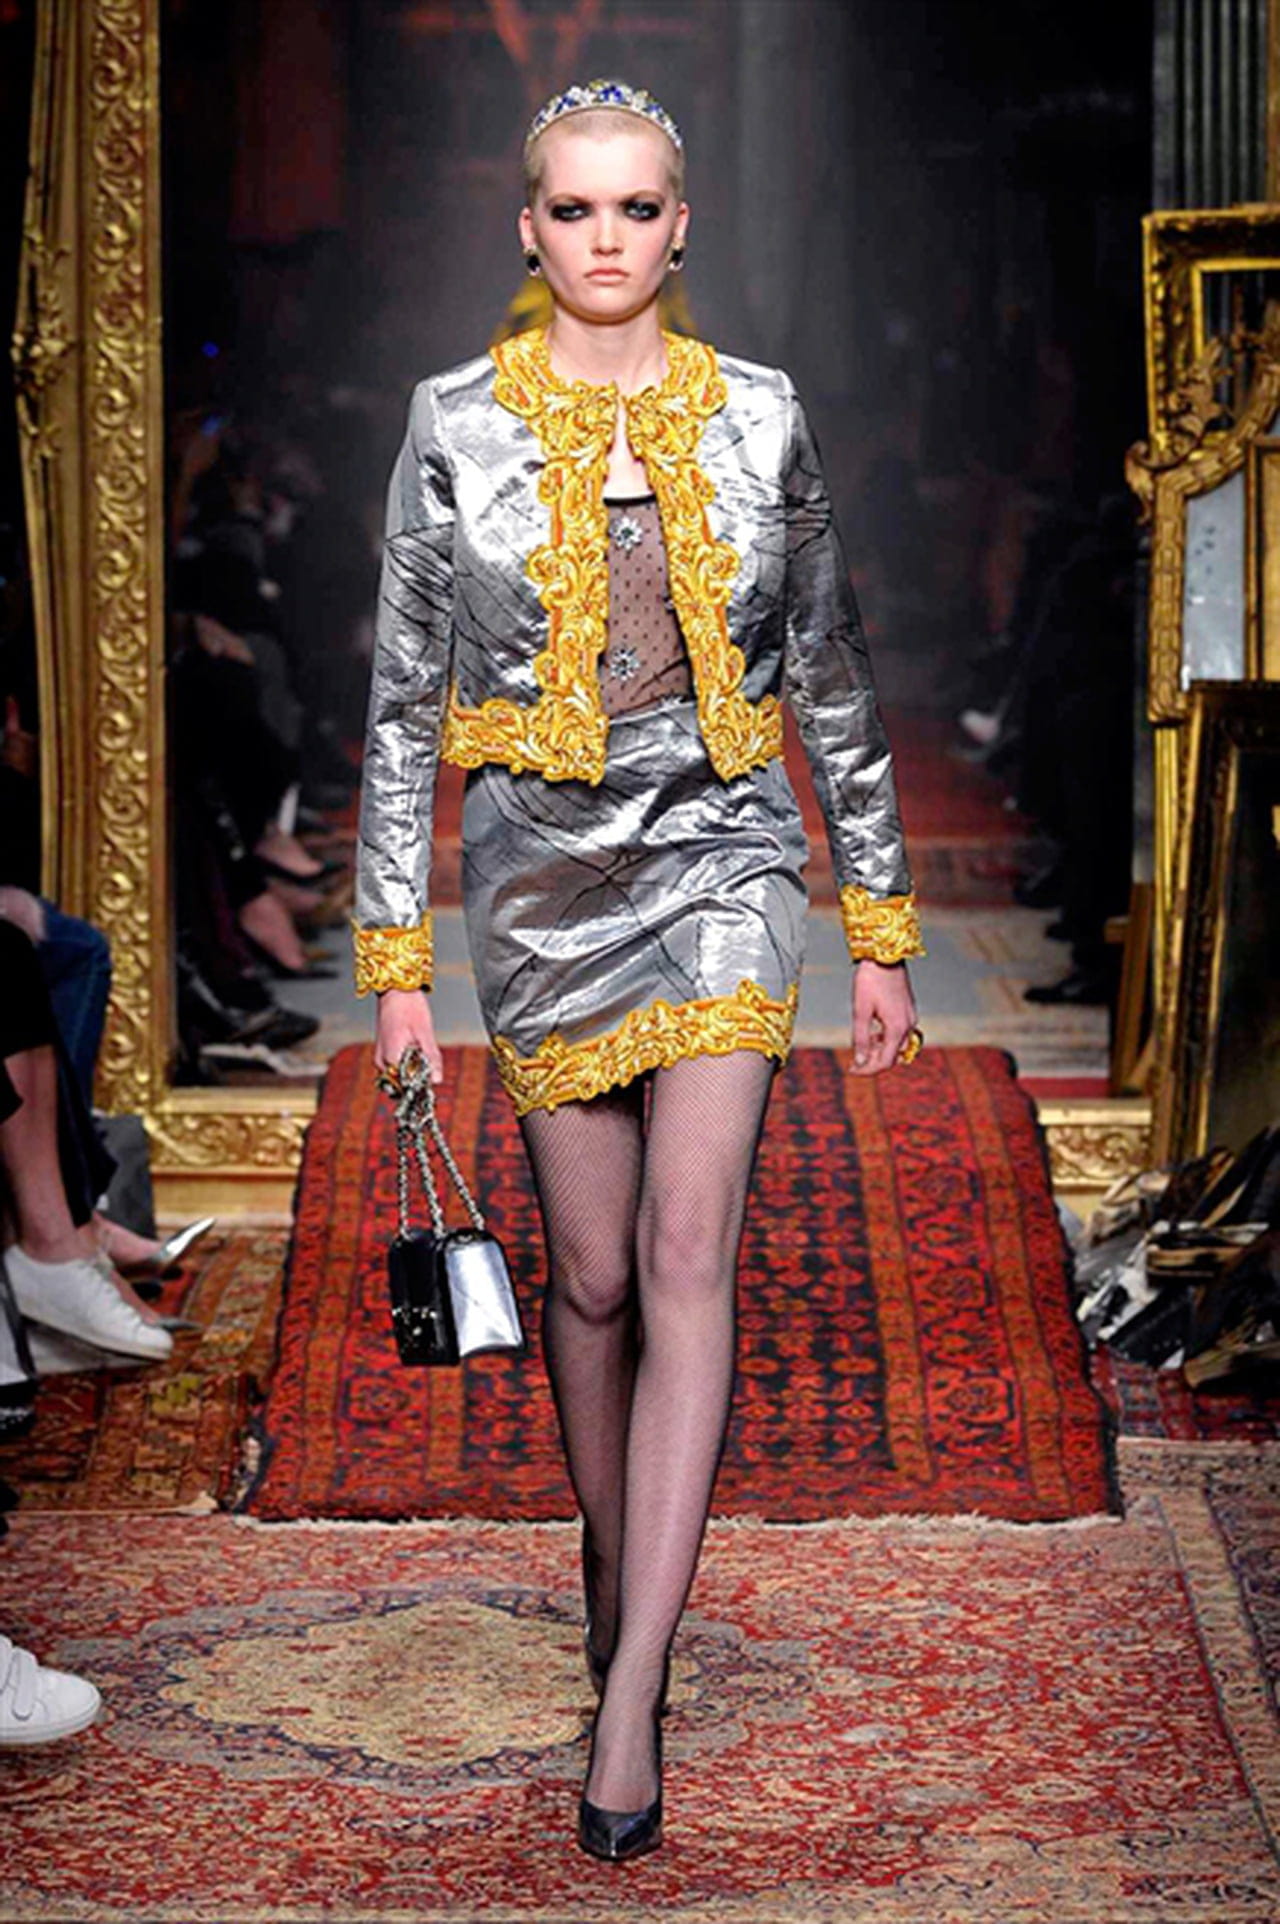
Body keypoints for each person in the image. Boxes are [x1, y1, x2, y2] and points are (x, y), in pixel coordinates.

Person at [354, 78, 923, 1862]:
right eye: (576, 208)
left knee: (688, 1250)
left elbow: (830, 672)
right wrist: (397, 967)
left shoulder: (763, 415)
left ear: (684, 227)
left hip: (729, 851)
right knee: (590, 1281)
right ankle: (619, 1581)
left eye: (639, 207)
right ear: (528, 229)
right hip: (537, 877)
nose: (608, 237)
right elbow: (400, 707)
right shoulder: (452, 422)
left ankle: (632, 1692)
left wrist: (879, 925)